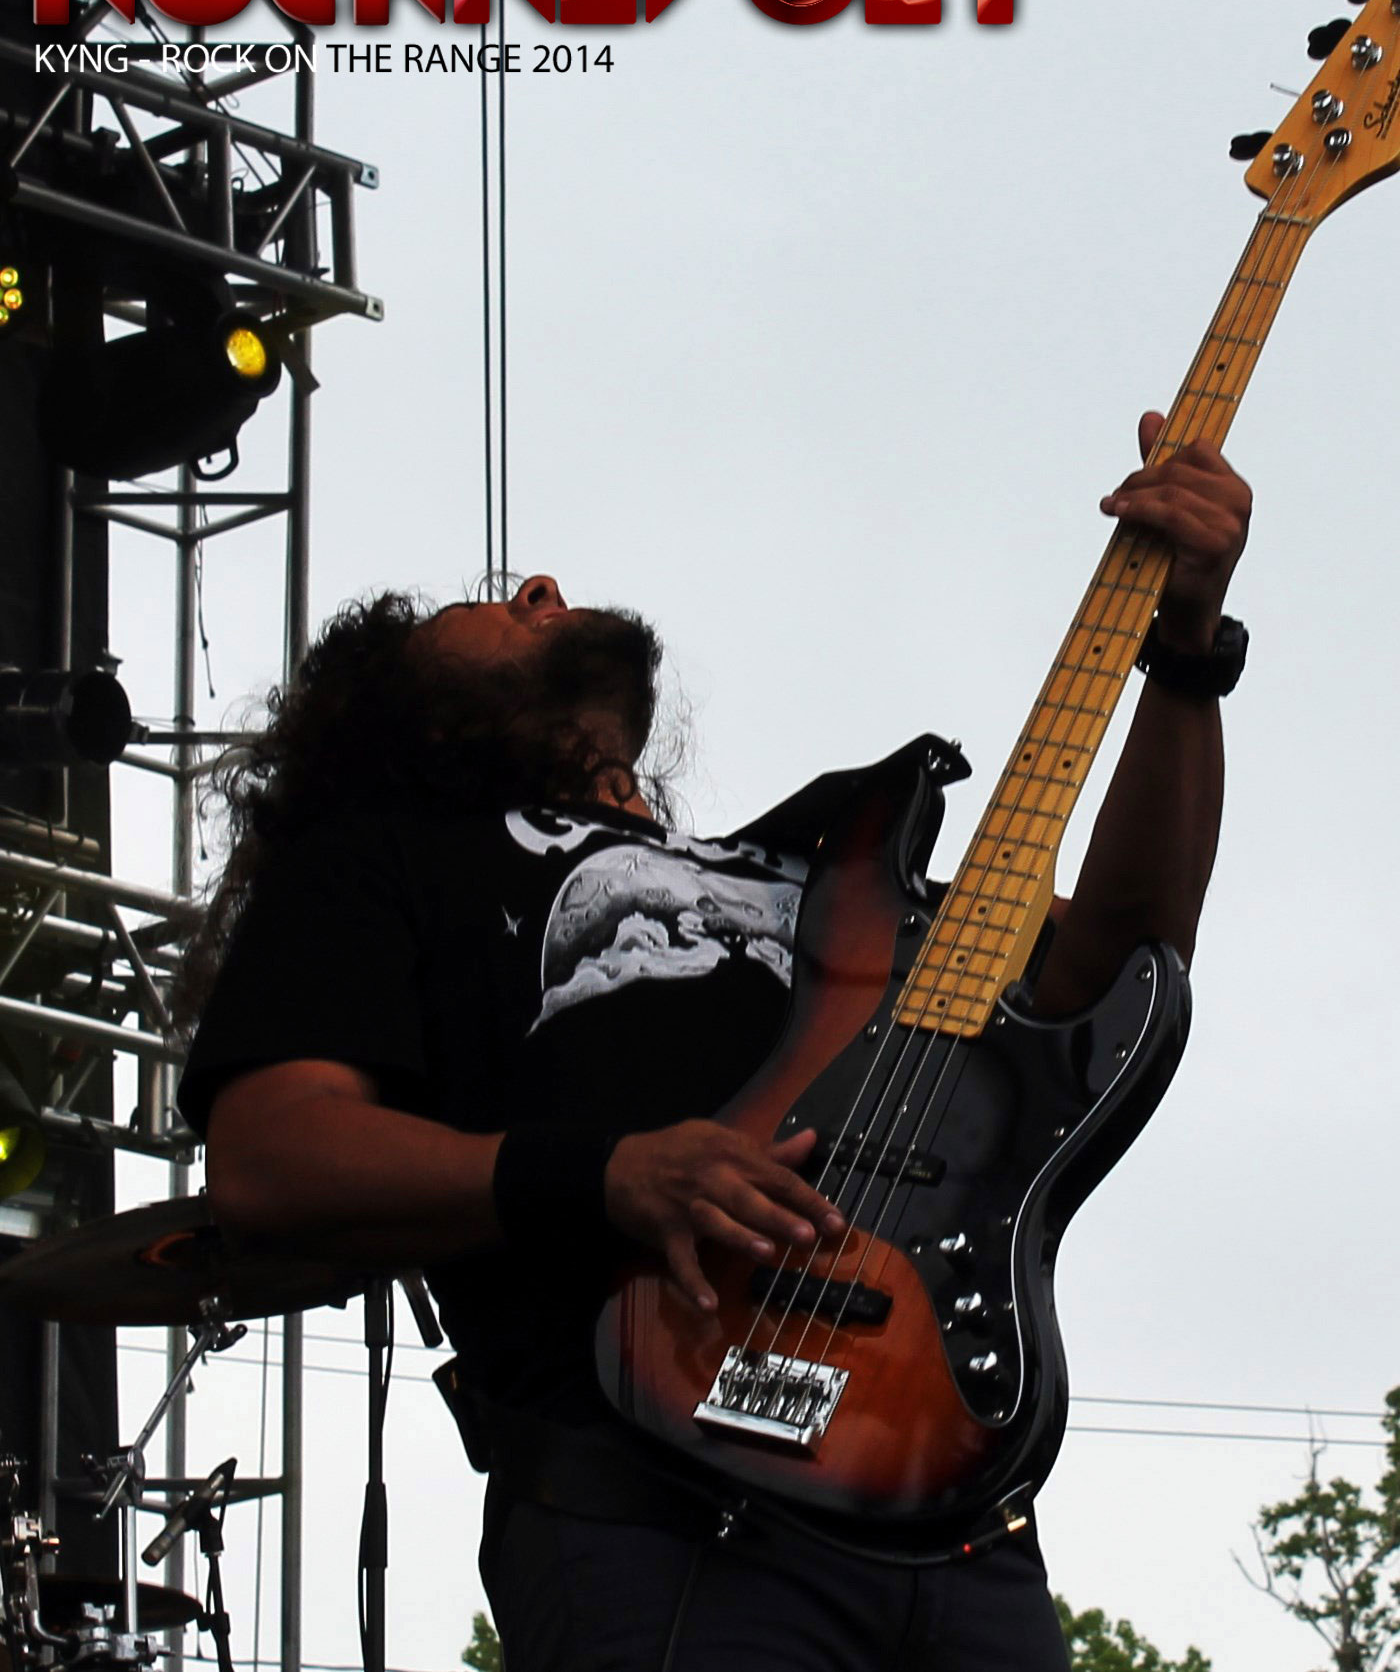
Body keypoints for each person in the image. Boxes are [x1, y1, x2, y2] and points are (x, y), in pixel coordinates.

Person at [175, 410, 1251, 1672]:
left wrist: (1185, 654)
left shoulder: (831, 869)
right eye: (492, 607)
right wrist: (612, 1170)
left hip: (949, 1504)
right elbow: (273, 1153)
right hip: (656, 1507)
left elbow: (1115, 959)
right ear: (416, 722)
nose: (540, 586)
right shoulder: (384, 857)